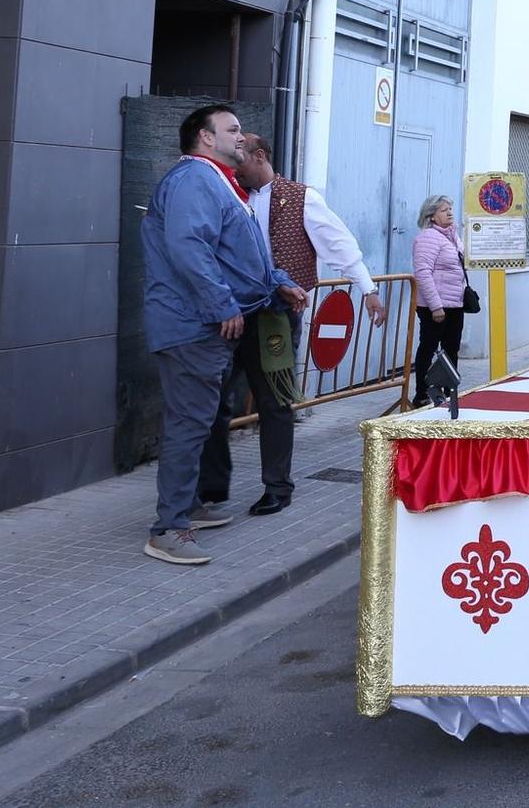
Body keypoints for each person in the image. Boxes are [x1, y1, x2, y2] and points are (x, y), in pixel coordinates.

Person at [140, 104, 303, 565]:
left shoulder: (219, 182)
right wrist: (222, 305)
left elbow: (241, 255)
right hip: (193, 325)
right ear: (205, 139)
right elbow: (188, 247)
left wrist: (278, 281)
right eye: (231, 130)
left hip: (204, 323)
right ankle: (168, 528)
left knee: (200, 421)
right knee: (188, 425)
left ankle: (188, 508)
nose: (242, 136)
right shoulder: (195, 180)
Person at [200, 134, 385, 517]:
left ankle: (277, 487)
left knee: (274, 401)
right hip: (232, 312)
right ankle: (212, 490)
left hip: (275, 317)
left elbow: (339, 244)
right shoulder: (232, 195)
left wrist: (367, 289)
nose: (236, 169)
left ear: (261, 156)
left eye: (241, 161)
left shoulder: (302, 198)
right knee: (214, 399)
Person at [410, 196, 469, 406]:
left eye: (450, 209)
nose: (450, 213)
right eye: (444, 210)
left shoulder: (452, 236)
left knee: (451, 348)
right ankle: (422, 393)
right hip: (434, 306)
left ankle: (449, 390)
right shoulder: (428, 237)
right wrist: (436, 306)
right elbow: (423, 273)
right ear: (432, 216)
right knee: (428, 347)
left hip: (455, 303)